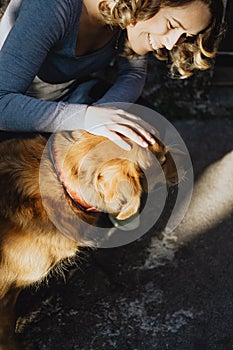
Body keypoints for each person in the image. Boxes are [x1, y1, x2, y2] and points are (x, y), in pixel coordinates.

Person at [0, 0, 223, 150]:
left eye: (185, 36)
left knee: (147, 126)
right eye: (172, 25)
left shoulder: (126, 16)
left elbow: (133, 74)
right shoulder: (53, 7)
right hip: (13, 117)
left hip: (67, 102)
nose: (172, 43)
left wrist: (102, 116)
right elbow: (2, 105)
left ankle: (123, 211)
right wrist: (87, 118)